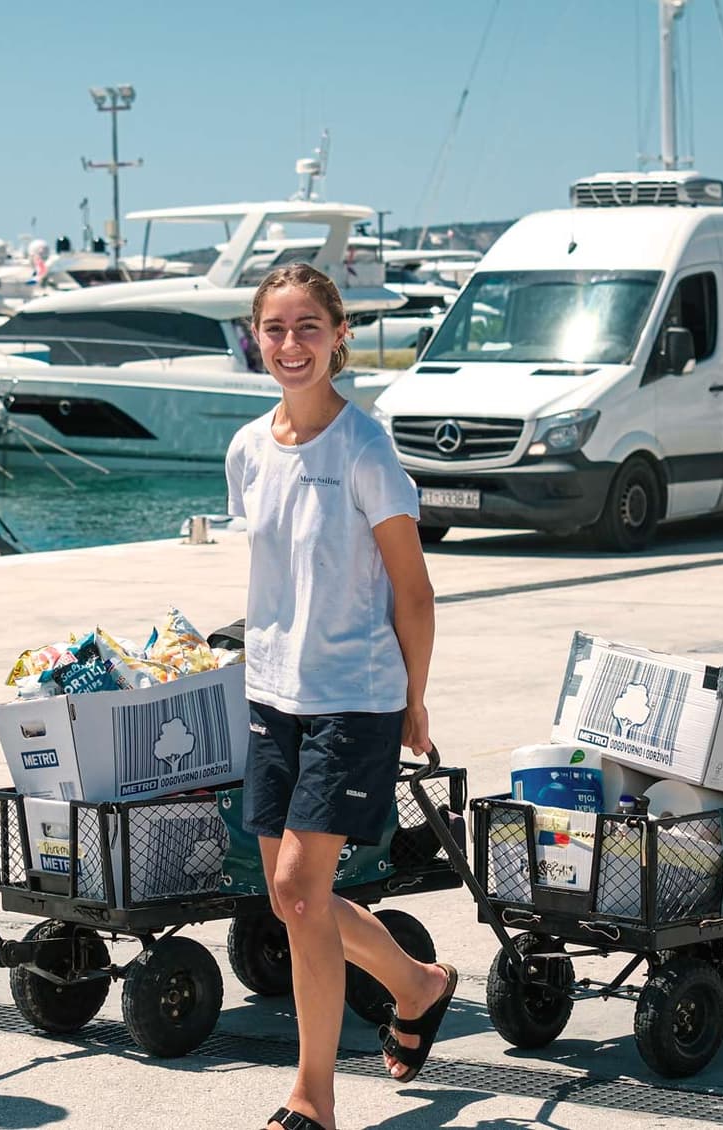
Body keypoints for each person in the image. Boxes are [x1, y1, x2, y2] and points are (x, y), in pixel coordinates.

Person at [224, 263, 457, 1130]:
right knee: (295, 898)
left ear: (339, 337)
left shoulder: (365, 449)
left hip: (355, 697)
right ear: (257, 337)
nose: (291, 345)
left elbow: (414, 591)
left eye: (308, 327)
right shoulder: (248, 449)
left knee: (294, 885)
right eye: (276, 329)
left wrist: (415, 703)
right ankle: (416, 983)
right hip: (272, 694)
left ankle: (311, 1097)